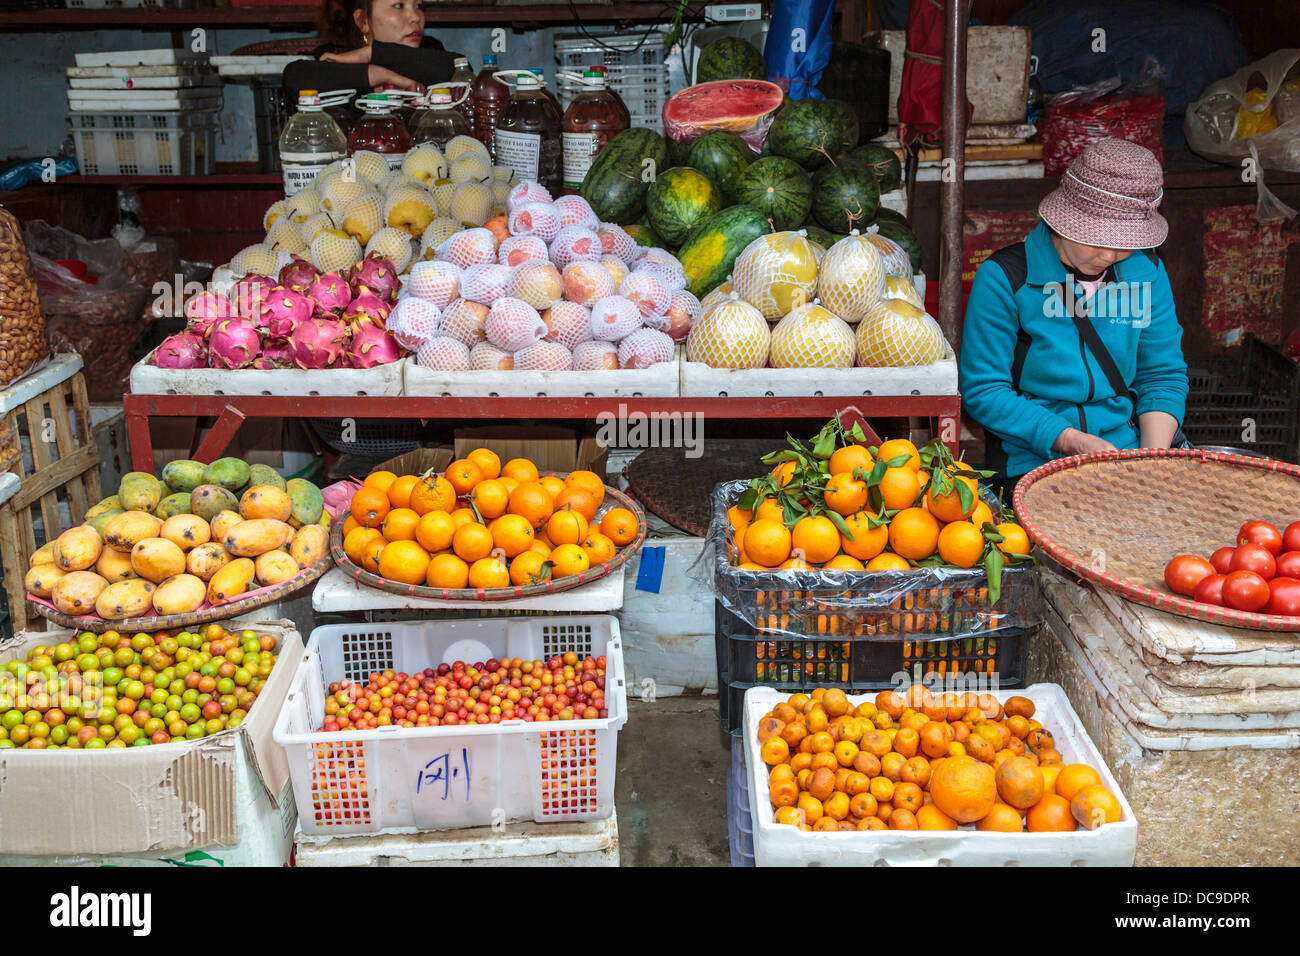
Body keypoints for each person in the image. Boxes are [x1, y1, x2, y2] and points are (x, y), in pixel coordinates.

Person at [959, 138, 1189, 498]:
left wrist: (1150, 460)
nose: (1111, 254)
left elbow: (1161, 375)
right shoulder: (1006, 277)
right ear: (1066, 221)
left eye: (1125, 240)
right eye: (1097, 238)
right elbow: (984, 391)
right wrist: (1068, 440)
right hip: (1032, 463)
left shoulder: (1148, 273)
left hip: (1128, 456)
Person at [282, 0, 461, 100]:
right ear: (363, 21)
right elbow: (294, 78)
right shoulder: (337, 55)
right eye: (398, 6)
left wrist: (373, 53)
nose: (415, 17)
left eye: (419, 6)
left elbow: (461, 69)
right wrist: (379, 74)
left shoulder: (429, 50)